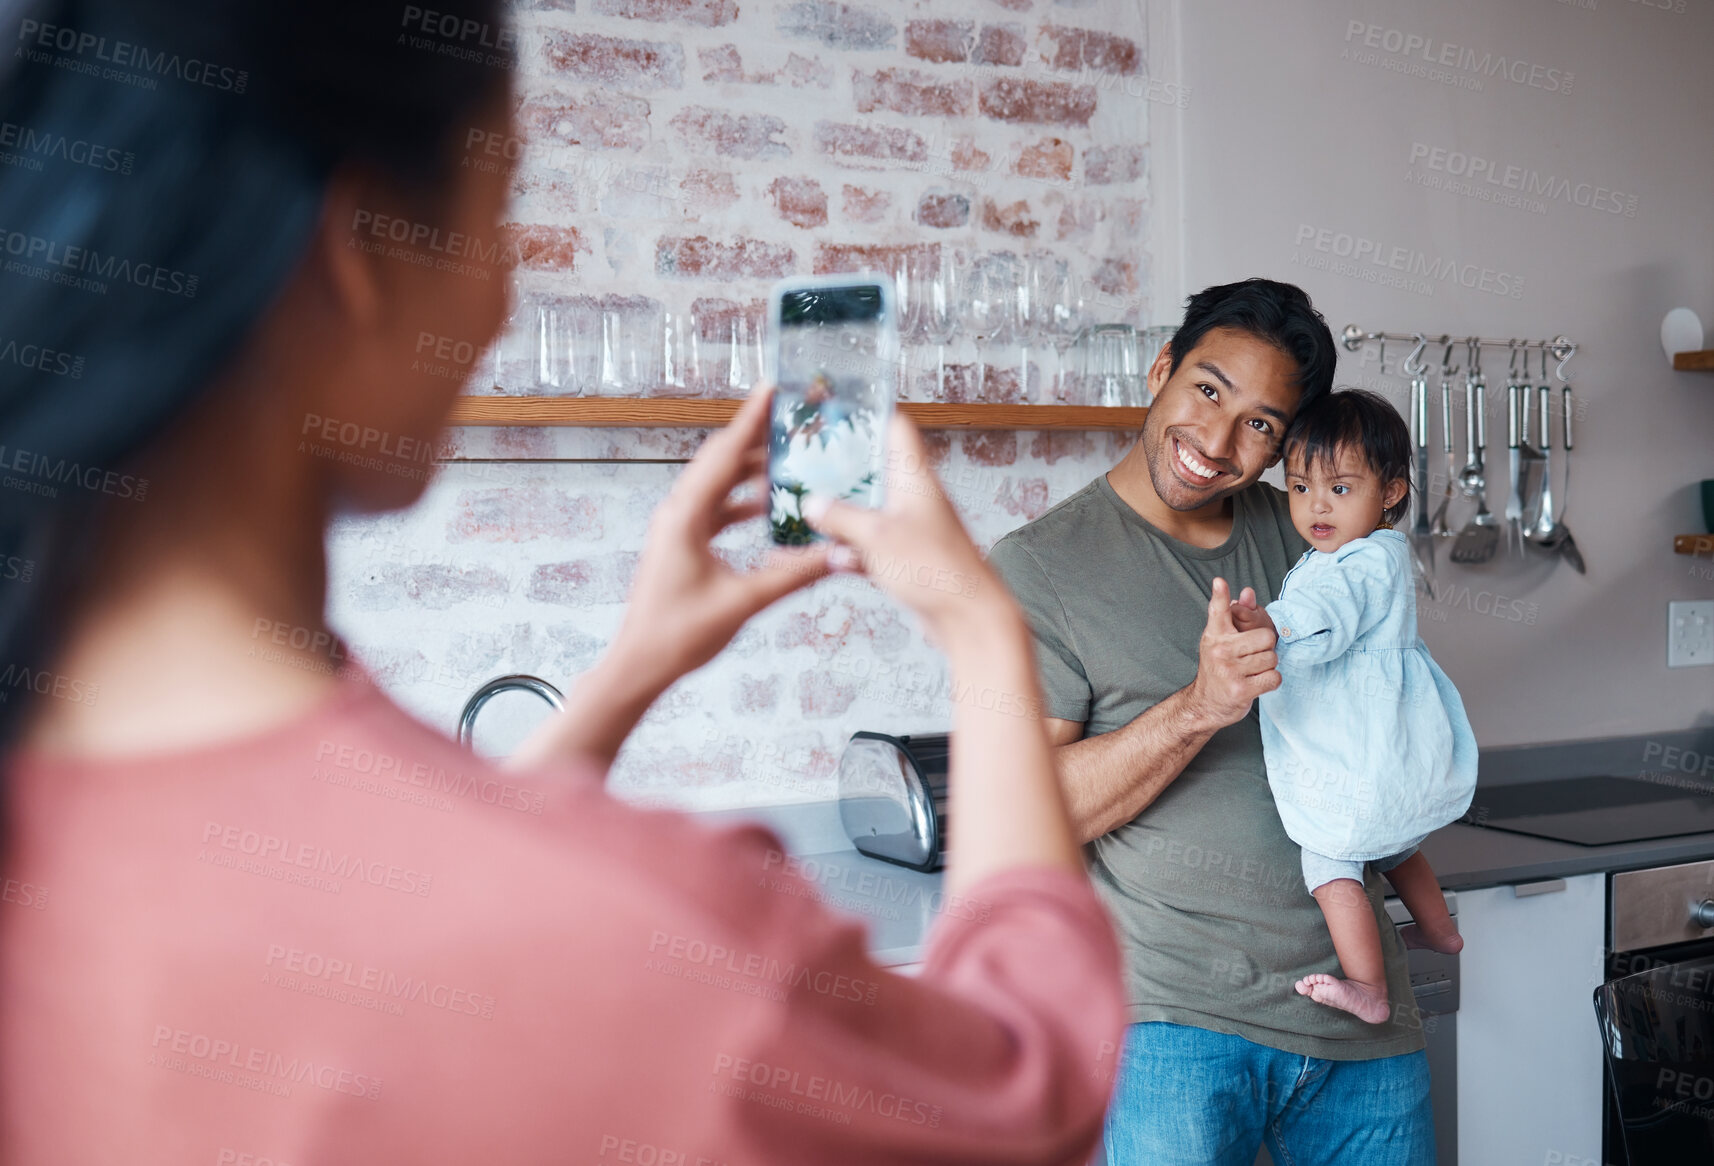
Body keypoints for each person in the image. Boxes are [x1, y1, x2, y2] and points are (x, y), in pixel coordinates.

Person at [0, 1, 1125, 1161]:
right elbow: (1024, 1089)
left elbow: (413, 898)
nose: (501, 298)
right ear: (365, 256)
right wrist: (984, 631)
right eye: (504, 219)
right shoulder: (667, 940)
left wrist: (633, 665)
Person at [987, 279, 1436, 1165]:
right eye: (1207, 390)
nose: (1219, 442)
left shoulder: (1312, 531)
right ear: (1162, 369)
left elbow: (1383, 690)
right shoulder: (1041, 566)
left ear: (1286, 446)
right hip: (1174, 1029)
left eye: (1262, 424)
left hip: (1359, 1017)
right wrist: (1200, 707)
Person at [1230, 389, 1475, 1024]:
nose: (1316, 505)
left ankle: (1368, 989)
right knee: (1397, 845)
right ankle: (1441, 932)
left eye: (1340, 489)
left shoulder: (1363, 562)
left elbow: (1325, 612)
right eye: (1300, 487)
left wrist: (1269, 623)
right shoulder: (1366, 554)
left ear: (1391, 491)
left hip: (1356, 755)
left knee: (1332, 862)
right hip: (1384, 752)